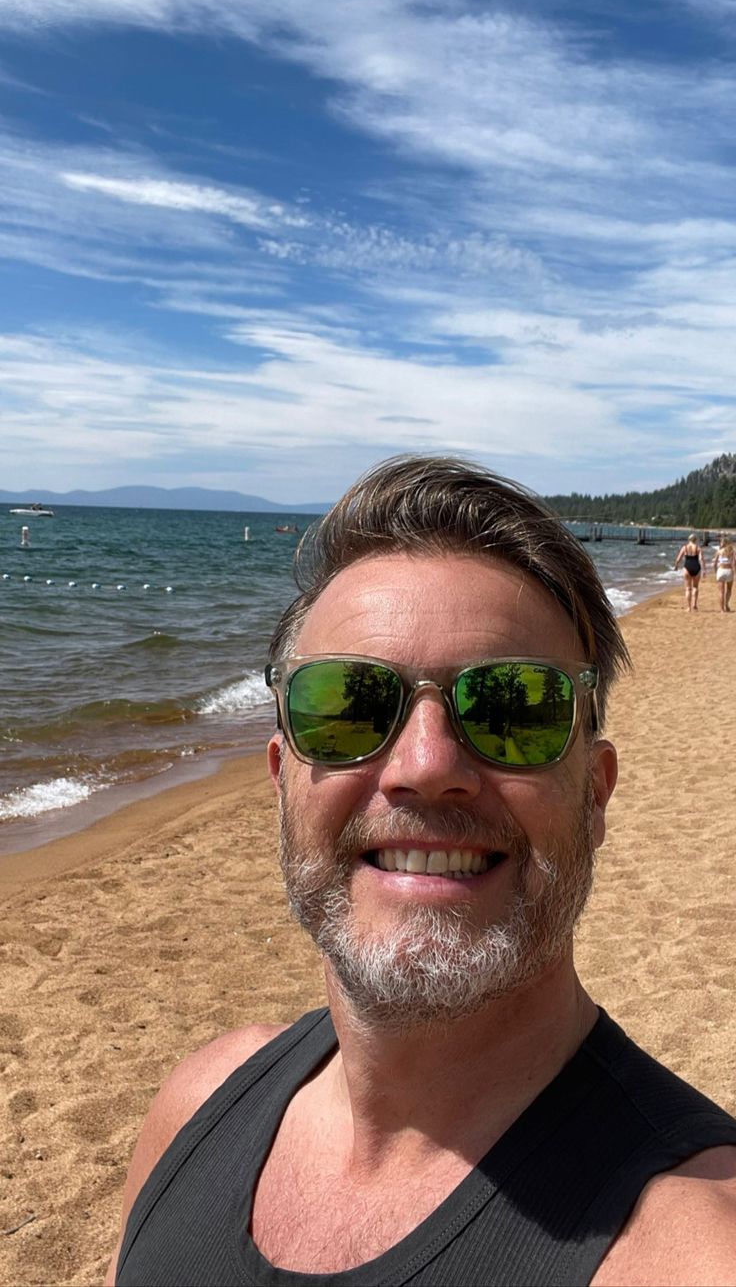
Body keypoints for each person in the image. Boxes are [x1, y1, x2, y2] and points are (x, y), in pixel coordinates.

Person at [108, 457, 736, 1287]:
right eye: (349, 704)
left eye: (513, 707)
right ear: (281, 780)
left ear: (596, 793)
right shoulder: (195, 1106)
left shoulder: (693, 1246)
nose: (426, 765)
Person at [674, 533, 706, 611]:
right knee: (695, 587)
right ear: (696, 540)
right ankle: (694, 605)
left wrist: (676, 566)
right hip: (696, 567)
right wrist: (704, 569)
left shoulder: (684, 547)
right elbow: (701, 559)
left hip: (687, 567)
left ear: (689, 540)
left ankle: (689, 607)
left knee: (688, 588)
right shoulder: (698, 548)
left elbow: (678, 558)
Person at [713, 533, 735, 613]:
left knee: (721, 591)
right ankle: (726, 604)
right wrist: (734, 572)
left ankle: (722, 610)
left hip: (721, 570)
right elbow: (734, 563)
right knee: (729, 589)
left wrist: (715, 571)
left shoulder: (719, 551)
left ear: (723, 543)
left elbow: (715, 563)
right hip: (729, 571)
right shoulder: (732, 551)